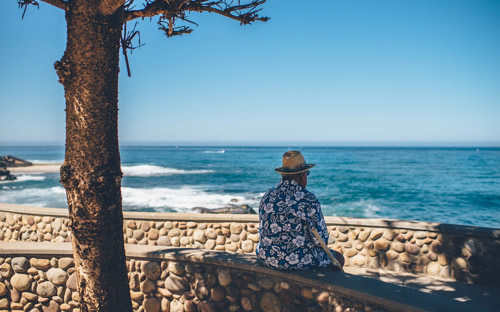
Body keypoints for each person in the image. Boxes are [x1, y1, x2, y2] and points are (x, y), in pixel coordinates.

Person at [256, 150, 344, 270]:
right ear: (301, 176)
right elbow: (320, 240)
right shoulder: (308, 199)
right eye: (307, 174)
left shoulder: (267, 195)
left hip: (267, 257)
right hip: (297, 262)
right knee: (339, 258)